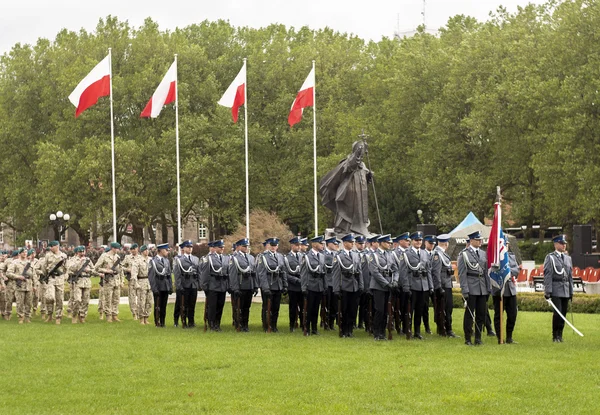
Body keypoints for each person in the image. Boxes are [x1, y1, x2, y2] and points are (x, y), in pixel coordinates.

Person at [319, 140, 372, 236]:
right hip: (349, 192)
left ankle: (360, 228)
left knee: (358, 211)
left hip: (360, 193)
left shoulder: (362, 164)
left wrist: (368, 176)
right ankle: (342, 228)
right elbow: (351, 165)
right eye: (360, 150)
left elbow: (364, 175)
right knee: (346, 210)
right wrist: (358, 153)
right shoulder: (348, 161)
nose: (362, 153)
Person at [398, 231, 433, 340]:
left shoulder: (424, 253)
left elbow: (428, 271)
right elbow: (403, 272)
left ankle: (417, 331)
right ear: (412, 241)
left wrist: (430, 286)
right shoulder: (406, 254)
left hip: (423, 285)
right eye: (416, 240)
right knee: (409, 310)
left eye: (420, 240)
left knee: (420, 309)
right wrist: (406, 287)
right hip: (412, 285)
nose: (418, 242)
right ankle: (407, 329)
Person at [458, 231, 491, 346]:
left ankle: (478, 338)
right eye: (477, 240)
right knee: (469, 314)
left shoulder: (483, 254)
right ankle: (468, 338)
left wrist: (488, 287)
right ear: (471, 240)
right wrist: (465, 290)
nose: (480, 241)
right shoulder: (464, 254)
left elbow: (486, 272)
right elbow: (462, 274)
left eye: (480, 239)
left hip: (482, 288)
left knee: (481, 314)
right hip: (471, 287)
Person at [332, 234, 363, 337]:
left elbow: (360, 271)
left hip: (354, 286)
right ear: (345, 243)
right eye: (350, 242)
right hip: (344, 286)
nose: (352, 244)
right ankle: (344, 330)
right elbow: (336, 274)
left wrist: (361, 285)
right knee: (344, 310)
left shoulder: (355, 255)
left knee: (353, 310)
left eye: (353, 242)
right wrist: (336, 289)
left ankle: (350, 330)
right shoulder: (339, 256)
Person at [544, 234, 573, 343]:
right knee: (558, 313)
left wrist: (571, 291)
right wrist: (548, 291)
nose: (564, 245)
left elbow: (570, 276)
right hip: (556, 288)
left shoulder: (568, 258)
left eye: (564, 243)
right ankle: (555, 335)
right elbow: (548, 274)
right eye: (561, 243)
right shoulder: (550, 257)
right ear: (556, 245)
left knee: (563, 314)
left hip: (565, 289)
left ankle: (560, 334)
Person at [369, 234, 398, 341]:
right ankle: (376, 332)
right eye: (387, 242)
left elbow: (395, 269)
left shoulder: (390, 255)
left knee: (386, 311)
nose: (389, 244)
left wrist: (395, 281)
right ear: (381, 243)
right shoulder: (374, 255)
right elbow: (375, 272)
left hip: (389, 285)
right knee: (379, 310)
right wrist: (386, 283)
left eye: (390, 243)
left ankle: (383, 332)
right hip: (378, 286)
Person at [431, 234, 458, 338]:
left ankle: (446, 328)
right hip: (443, 285)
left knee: (448, 307)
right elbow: (436, 272)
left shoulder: (442, 254)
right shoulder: (437, 255)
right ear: (446, 244)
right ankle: (447, 329)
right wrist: (439, 287)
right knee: (445, 308)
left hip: (446, 284)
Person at [257, 238, 288, 332]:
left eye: (275, 245)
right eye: (272, 245)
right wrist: (265, 288)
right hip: (269, 285)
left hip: (277, 285)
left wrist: (285, 285)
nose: (273, 247)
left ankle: (274, 325)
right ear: (269, 246)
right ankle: (266, 325)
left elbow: (283, 272)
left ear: (277, 246)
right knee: (267, 307)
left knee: (276, 307)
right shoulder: (263, 257)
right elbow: (262, 273)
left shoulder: (280, 256)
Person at [492, 238, 519, 344]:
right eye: (503, 244)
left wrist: (507, 271)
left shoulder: (511, 256)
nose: (505, 246)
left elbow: (516, 270)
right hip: (499, 289)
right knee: (499, 315)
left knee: (512, 314)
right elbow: (493, 270)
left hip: (510, 289)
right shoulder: (495, 258)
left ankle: (509, 337)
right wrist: (505, 270)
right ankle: (500, 337)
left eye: (506, 244)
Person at [229, 238, 258, 332]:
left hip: (249, 285)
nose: (246, 248)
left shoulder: (251, 258)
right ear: (238, 247)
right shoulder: (234, 258)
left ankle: (245, 324)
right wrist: (235, 288)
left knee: (247, 307)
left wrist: (255, 286)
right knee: (239, 307)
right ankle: (239, 324)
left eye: (247, 246)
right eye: (244, 246)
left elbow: (254, 273)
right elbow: (233, 274)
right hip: (241, 285)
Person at [300, 235, 327, 335]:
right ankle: (306, 327)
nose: (322, 245)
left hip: (319, 286)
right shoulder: (306, 256)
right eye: (320, 243)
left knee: (316, 308)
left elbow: (324, 273)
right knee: (309, 309)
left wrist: (325, 286)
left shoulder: (322, 256)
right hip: (310, 285)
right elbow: (303, 273)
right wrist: (303, 287)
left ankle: (314, 328)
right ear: (314, 244)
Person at [201, 240, 229, 331]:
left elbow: (228, 273)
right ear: (215, 248)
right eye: (220, 247)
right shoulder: (208, 258)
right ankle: (212, 324)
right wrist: (205, 286)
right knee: (212, 306)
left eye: (223, 247)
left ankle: (217, 323)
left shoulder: (226, 258)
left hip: (222, 285)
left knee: (220, 305)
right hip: (213, 285)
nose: (222, 249)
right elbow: (205, 273)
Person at [174, 240, 201, 329]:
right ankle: (183, 320)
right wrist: (179, 286)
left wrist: (198, 284)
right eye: (188, 247)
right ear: (184, 248)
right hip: (184, 284)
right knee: (183, 304)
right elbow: (177, 274)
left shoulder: (196, 259)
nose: (190, 249)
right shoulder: (179, 259)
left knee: (192, 304)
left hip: (193, 284)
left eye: (191, 247)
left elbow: (198, 272)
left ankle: (191, 321)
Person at [95, 242, 124, 323]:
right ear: (113, 248)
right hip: (108, 281)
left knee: (116, 299)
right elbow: (96, 268)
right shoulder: (104, 256)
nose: (118, 250)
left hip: (116, 281)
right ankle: (108, 316)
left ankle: (115, 315)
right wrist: (106, 270)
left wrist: (122, 281)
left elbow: (120, 270)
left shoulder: (117, 257)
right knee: (108, 299)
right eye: (117, 248)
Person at [40, 241, 68, 324]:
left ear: (56, 246)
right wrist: (46, 276)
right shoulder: (48, 256)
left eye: (51, 246)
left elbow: (66, 268)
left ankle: (58, 317)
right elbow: (44, 267)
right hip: (51, 279)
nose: (50, 248)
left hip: (60, 278)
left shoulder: (63, 256)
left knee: (59, 299)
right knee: (50, 297)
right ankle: (50, 315)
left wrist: (65, 277)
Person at [67, 246, 95, 324]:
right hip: (77, 282)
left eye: (83, 252)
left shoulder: (88, 260)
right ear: (77, 253)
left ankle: (82, 316)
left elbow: (94, 269)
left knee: (86, 300)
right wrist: (80, 263)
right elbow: (71, 269)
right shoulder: (72, 260)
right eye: (80, 252)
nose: (82, 253)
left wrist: (88, 270)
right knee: (77, 300)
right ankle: (74, 315)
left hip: (86, 281)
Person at [6, 248, 34, 324]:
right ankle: (21, 317)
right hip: (19, 286)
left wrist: (34, 285)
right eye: (23, 252)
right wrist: (18, 277)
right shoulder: (15, 262)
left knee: (29, 303)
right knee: (20, 303)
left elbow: (33, 275)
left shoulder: (29, 263)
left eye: (26, 252)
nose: (25, 253)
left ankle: (27, 317)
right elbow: (8, 273)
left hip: (29, 285)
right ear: (20, 253)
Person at [149, 243, 173, 328]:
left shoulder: (166, 261)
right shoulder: (153, 261)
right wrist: (154, 289)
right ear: (161, 250)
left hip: (165, 285)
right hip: (158, 285)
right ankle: (157, 322)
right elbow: (151, 276)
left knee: (164, 305)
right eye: (166, 250)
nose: (167, 252)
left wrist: (170, 286)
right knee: (157, 305)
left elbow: (169, 275)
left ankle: (163, 322)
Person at [284, 237, 304, 332]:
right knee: (293, 307)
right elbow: (285, 273)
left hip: (302, 286)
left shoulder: (303, 256)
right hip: (293, 286)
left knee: (303, 307)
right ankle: (292, 325)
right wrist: (296, 280)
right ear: (292, 245)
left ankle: (303, 324)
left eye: (299, 245)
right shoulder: (287, 258)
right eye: (297, 245)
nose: (299, 247)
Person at [132, 245, 153, 325]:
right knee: (141, 301)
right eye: (145, 250)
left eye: (147, 250)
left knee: (149, 301)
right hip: (141, 281)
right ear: (142, 251)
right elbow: (134, 273)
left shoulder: (151, 260)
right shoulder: (138, 260)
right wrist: (136, 283)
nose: (147, 251)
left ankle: (146, 317)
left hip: (149, 282)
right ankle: (141, 318)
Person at [323, 237, 340, 329]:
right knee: (327, 304)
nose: (335, 245)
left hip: (335, 282)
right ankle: (326, 322)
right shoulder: (324, 254)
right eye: (333, 244)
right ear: (328, 244)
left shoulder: (337, 255)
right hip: (327, 282)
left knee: (334, 304)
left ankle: (331, 323)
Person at [355, 235, 371, 331]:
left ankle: (362, 322)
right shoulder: (353, 253)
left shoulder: (368, 254)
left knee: (364, 305)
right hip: (355, 282)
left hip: (365, 282)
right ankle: (353, 322)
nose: (362, 245)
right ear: (356, 244)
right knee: (355, 304)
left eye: (363, 243)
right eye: (360, 243)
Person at [422, 235, 437, 334]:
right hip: (425, 284)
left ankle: (440, 326)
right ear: (425, 243)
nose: (431, 245)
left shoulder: (436, 254)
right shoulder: (422, 254)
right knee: (425, 307)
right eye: (430, 243)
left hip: (436, 284)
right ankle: (427, 327)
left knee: (438, 307)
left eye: (433, 244)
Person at [121, 243, 139, 320]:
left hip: (140, 279)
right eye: (131, 249)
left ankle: (140, 312)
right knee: (132, 297)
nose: (133, 251)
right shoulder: (127, 257)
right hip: (131, 279)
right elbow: (121, 266)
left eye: (134, 249)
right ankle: (134, 313)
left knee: (141, 297)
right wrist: (127, 269)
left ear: (137, 249)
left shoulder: (140, 258)